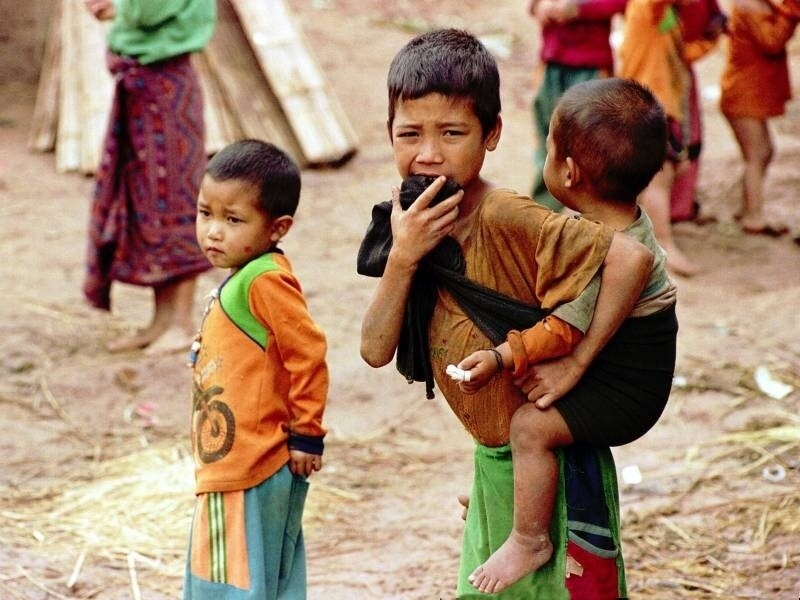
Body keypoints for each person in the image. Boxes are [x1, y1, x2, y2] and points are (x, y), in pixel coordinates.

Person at [358, 29, 666, 598]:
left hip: (556, 464)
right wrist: (403, 258)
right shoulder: (409, 227)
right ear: (389, 135)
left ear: (492, 133)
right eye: (410, 134)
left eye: (452, 133)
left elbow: (629, 256)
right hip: (500, 462)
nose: (428, 153)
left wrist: (575, 366)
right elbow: (376, 351)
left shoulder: (507, 216)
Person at [452, 78, 678, 594]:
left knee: (532, 425)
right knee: (523, 398)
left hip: (625, 390)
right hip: (622, 371)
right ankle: (504, 495)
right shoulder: (612, 224)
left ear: (568, 171)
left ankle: (529, 537)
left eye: (548, 149)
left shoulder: (596, 255)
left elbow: (559, 331)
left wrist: (501, 354)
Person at [183, 139, 329, 599]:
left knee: (227, 581)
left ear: (277, 227)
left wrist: (307, 431)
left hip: (248, 465)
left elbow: (307, 351)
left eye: (233, 220)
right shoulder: (249, 275)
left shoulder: (263, 279)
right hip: (242, 462)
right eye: (206, 214)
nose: (213, 232)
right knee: (265, 577)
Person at [82, 0, 216, 354]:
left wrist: (116, 7)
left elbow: (148, 10)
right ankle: (161, 320)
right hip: (148, 83)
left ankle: (183, 322)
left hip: (166, 83)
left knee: (176, 198)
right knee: (150, 200)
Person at [618, 0, 724, 276]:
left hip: (660, 103)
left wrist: (710, 38)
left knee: (672, 168)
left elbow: (684, 54)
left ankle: (645, 236)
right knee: (659, 176)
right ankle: (663, 245)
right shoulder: (649, 6)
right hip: (648, 104)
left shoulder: (668, 15)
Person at [527, 0, 627, 212]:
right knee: (548, 134)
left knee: (591, 141)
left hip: (590, 65)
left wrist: (580, 8)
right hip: (552, 63)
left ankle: (598, 213)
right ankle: (544, 210)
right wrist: (539, 6)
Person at [720, 0, 798, 236]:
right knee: (756, 155)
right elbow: (772, 42)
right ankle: (753, 217)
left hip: (749, 94)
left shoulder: (758, 5)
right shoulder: (748, 6)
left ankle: (747, 208)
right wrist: (792, 9)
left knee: (764, 151)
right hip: (744, 94)